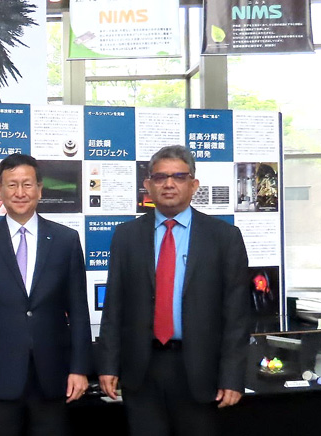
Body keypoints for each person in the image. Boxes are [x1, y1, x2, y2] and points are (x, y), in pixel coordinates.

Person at [98, 145, 250, 436]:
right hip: (142, 369)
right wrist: (107, 365)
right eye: (160, 177)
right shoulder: (126, 236)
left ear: (194, 184)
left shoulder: (223, 237)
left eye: (179, 177)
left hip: (200, 370)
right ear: (148, 185)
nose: (169, 184)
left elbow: (236, 315)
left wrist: (232, 376)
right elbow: (114, 307)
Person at [0, 154, 92, 436]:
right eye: (12, 185)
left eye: (27, 184)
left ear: (40, 189)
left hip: (54, 376)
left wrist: (80, 369)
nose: (20, 192)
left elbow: (79, 311)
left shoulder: (66, 240)